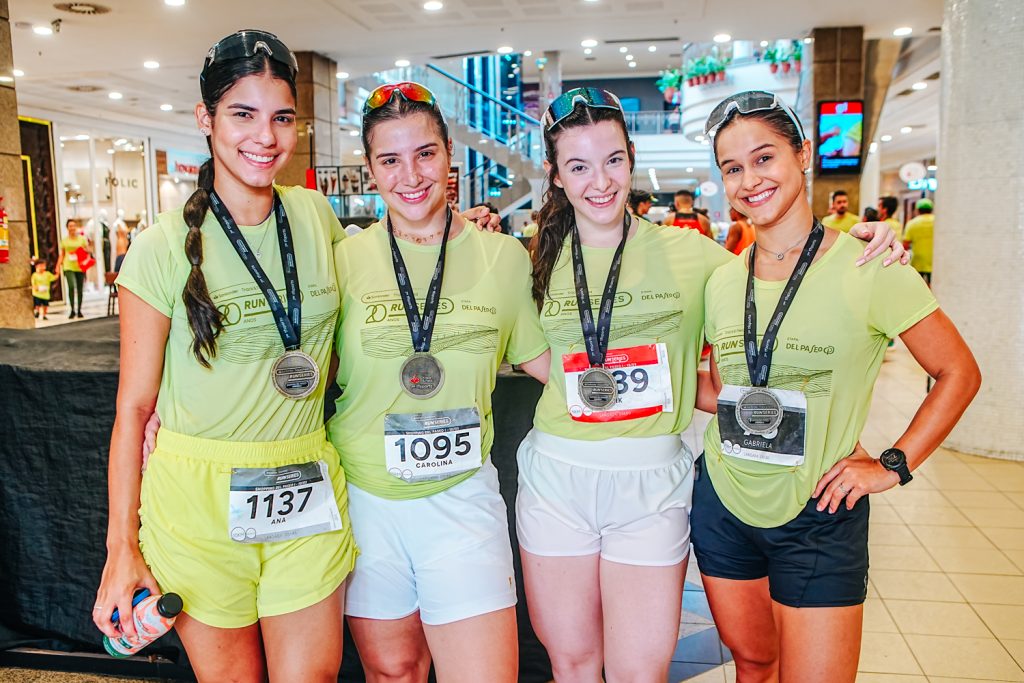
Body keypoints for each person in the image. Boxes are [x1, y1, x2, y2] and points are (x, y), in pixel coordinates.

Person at [515, 87, 906, 682]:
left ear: (632, 157)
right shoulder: (532, 257)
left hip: (653, 481)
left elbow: (774, 292)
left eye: (614, 160)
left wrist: (865, 242)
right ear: (554, 174)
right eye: (578, 166)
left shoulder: (692, 254)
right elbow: (539, 359)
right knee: (570, 664)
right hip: (556, 477)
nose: (600, 181)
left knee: (639, 671)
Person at [93, 30, 359, 682]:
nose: (264, 136)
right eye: (243, 114)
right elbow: (133, 408)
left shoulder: (316, 216)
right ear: (204, 119)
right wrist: (120, 548)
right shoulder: (159, 249)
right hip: (198, 502)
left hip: (305, 482)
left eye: (281, 117)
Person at [692, 90, 981, 683]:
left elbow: (959, 372)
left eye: (764, 157)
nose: (750, 179)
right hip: (725, 500)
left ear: (803, 156)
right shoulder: (721, 281)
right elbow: (726, 387)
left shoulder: (869, 265)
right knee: (753, 664)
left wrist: (892, 465)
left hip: (822, 506)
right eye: (732, 167)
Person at [327, 82, 550, 683]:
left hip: (462, 498)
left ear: (450, 154)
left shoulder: (502, 258)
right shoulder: (341, 262)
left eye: (424, 153)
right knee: (394, 671)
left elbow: (547, 363)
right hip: (366, 499)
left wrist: (677, 379)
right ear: (370, 170)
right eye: (389, 159)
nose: (410, 175)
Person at [56, 218, 89, 318]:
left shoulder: (82, 239)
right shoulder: (65, 241)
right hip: (68, 265)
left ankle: (79, 309)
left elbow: (87, 252)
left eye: (74, 226)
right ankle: (72, 309)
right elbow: (62, 254)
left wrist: (82, 254)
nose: (72, 228)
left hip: (80, 266)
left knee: (80, 288)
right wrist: (58, 266)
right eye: (70, 226)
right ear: (67, 228)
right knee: (71, 286)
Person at [903, 197, 934, 285]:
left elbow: (905, 245)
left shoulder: (912, 223)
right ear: (931, 209)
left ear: (917, 210)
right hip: (934, 261)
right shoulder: (937, 221)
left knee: (919, 286)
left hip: (918, 261)